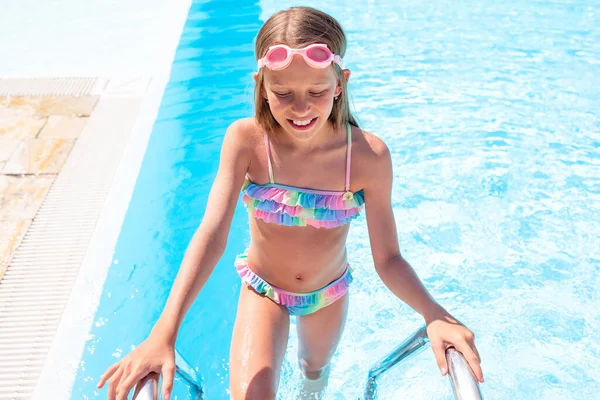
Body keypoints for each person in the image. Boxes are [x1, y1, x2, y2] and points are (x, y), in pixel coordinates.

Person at [97, 6, 484, 400]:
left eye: (316, 91)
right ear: (261, 85)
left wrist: (434, 313)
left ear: (339, 84)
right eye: (283, 93)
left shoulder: (367, 157)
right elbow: (212, 234)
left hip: (327, 294)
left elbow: (388, 259)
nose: (301, 108)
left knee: (313, 377)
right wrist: (164, 331)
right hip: (263, 289)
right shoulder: (247, 142)